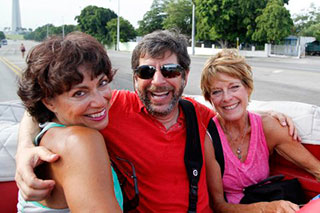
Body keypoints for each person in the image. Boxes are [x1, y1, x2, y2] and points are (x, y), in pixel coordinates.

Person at [15, 30, 296, 212]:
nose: (158, 82)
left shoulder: (198, 114)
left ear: (185, 77)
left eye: (171, 71)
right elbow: (40, 105)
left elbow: (231, 109)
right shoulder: (107, 112)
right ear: (135, 77)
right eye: (147, 71)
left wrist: (268, 117)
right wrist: (24, 149)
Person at [200, 49, 320, 213]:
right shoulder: (210, 139)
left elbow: (316, 169)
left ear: (248, 89)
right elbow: (218, 205)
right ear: (209, 99)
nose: (227, 98)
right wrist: (265, 208)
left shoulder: (268, 126)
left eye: (234, 87)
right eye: (216, 91)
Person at [16, 32, 122, 212]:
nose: (100, 101)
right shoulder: (79, 141)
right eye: (79, 93)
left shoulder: (51, 131)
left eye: (102, 82)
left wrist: (23, 146)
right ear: (49, 102)